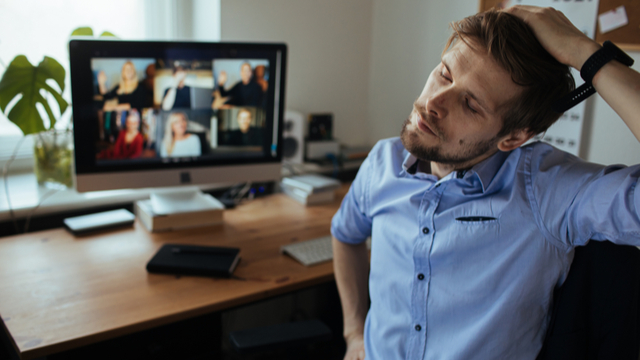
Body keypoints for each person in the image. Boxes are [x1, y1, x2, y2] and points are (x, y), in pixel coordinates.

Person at [332, 6, 640, 360]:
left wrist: (584, 53)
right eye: (445, 74)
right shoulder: (381, 163)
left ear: (512, 137)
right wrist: (354, 333)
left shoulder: (546, 191)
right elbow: (345, 234)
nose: (433, 102)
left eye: (471, 105)